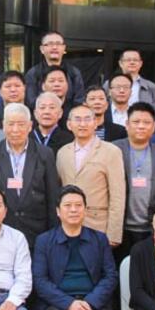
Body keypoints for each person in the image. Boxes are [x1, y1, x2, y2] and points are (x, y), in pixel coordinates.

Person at [33, 185, 124, 310]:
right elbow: (40, 281)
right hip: (59, 304)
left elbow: (110, 276)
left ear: (85, 209)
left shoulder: (99, 239)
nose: (73, 210)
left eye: (78, 205)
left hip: (93, 304)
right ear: (58, 211)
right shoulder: (44, 241)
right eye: (68, 206)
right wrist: (69, 304)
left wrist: (90, 302)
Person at [0, 102, 60, 251]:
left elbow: (52, 195)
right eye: (11, 124)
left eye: (21, 124)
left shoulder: (45, 154)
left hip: (36, 231)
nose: (15, 130)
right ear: (3, 126)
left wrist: (53, 233)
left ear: (30, 126)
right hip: (0, 230)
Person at [113, 102, 155, 260]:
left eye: (146, 122)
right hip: (121, 229)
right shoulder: (113, 150)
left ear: (154, 126)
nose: (141, 126)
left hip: (153, 230)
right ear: (127, 125)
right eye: (136, 122)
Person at [57, 105, 126, 246]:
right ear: (69, 125)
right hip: (67, 226)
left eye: (87, 119)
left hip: (98, 225)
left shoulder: (111, 151)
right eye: (77, 119)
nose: (82, 124)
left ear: (95, 123)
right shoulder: (62, 152)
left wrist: (113, 234)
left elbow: (117, 195)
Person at [24, 31, 86, 107]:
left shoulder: (74, 72)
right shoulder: (33, 73)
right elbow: (31, 101)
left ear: (64, 48)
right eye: (50, 44)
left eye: (58, 44)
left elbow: (79, 100)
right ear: (42, 49)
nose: (54, 47)